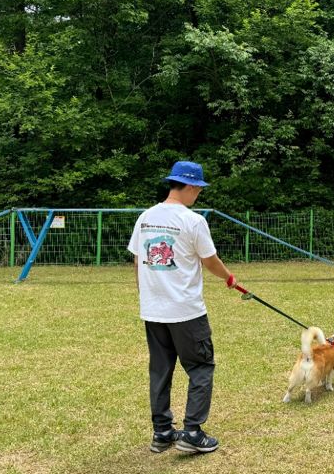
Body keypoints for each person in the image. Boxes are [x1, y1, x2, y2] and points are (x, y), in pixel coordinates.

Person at [128, 160, 239, 455]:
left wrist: (147, 296)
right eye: (198, 190)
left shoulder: (146, 217)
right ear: (189, 186)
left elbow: (138, 261)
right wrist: (229, 277)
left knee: (161, 370)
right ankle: (192, 432)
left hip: (153, 311)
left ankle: (162, 431)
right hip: (187, 312)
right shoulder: (193, 220)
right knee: (201, 367)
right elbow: (209, 260)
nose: (198, 195)